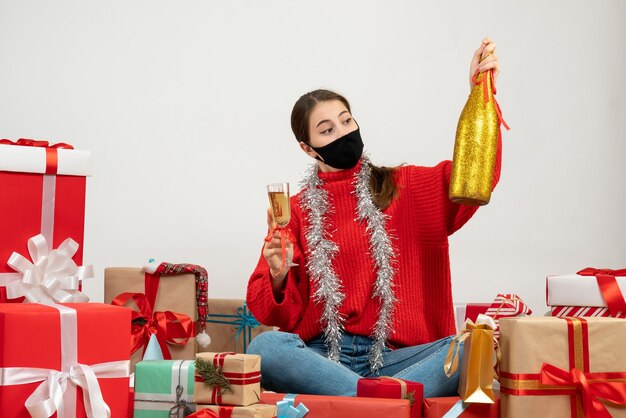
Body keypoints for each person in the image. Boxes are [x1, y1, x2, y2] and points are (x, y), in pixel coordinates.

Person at [246, 38, 502, 398]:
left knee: (471, 346)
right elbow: (275, 316)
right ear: (307, 148)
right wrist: (278, 275)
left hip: (401, 357)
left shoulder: (408, 186)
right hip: (325, 356)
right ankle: (386, 403)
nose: (343, 132)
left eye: (346, 120)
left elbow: (476, 176)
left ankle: (365, 401)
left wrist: (481, 92)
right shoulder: (295, 209)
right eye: (327, 130)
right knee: (265, 350)